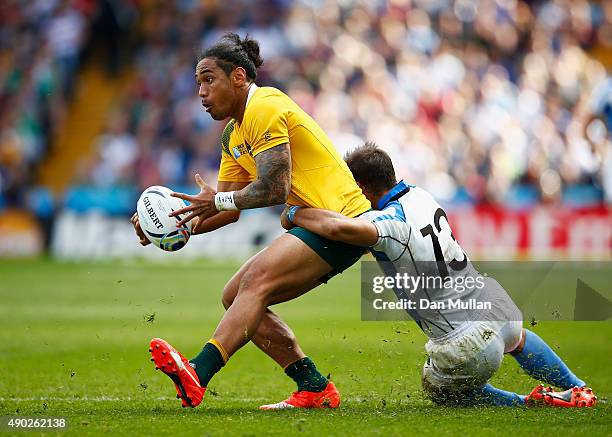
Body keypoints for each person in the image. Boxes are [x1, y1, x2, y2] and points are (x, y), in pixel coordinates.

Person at [131, 33, 371, 409]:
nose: (201, 91)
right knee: (234, 296)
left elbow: (274, 188)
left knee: (255, 283)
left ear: (239, 77)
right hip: (314, 223)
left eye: (209, 79)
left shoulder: (265, 105)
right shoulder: (233, 135)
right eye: (198, 83)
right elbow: (225, 209)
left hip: (341, 219)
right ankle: (313, 386)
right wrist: (169, 226)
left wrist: (219, 199)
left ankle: (198, 372)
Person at [280, 142, 597, 408]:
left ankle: (526, 403)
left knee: (437, 388)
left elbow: (339, 228)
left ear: (360, 187)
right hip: (492, 303)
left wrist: (295, 213)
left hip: (465, 341)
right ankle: (578, 388)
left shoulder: (390, 222)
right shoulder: (421, 195)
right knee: (519, 339)